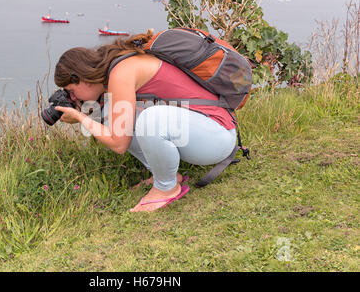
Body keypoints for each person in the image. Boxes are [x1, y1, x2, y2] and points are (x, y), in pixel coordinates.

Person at [53, 29, 237, 212]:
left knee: (150, 119)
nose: (73, 98)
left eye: (71, 91)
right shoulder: (117, 67)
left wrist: (81, 117)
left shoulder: (121, 72)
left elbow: (119, 144)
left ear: (82, 79)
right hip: (202, 130)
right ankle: (164, 175)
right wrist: (85, 115)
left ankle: (167, 188)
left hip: (217, 135)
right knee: (115, 113)